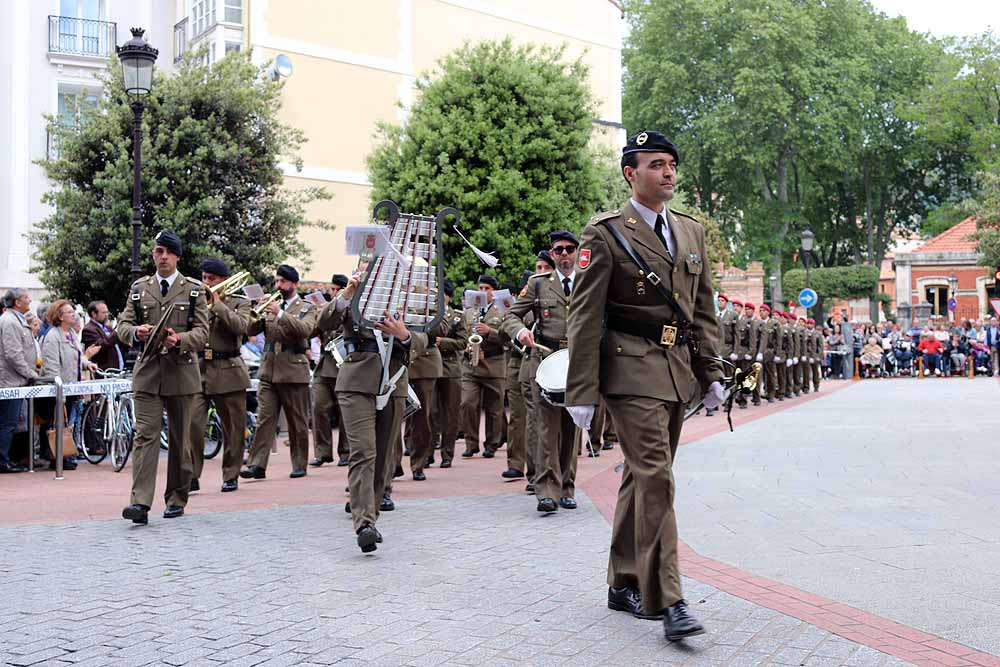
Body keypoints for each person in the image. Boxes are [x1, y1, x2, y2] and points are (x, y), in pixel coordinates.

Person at [565, 130, 724, 641]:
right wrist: (580, 391)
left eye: (672, 164)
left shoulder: (691, 232)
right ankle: (669, 597)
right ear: (631, 173)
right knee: (657, 476)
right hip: (628, 368)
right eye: (656, 164)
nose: (668, 172)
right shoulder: (607, 233)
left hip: (675, 368)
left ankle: (623, 581)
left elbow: (702, 310)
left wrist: (714, 372)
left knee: (642, 476)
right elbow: (584, 318)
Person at [325, 271, 427, 552]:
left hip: (394, 380)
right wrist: (346, 294)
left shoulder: (408, 295)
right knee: (363, 452)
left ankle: (372, 512)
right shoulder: (352, 296)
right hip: (356, 379)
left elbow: (426, 335)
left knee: (383, 456)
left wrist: (405, 336)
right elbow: (324, 322)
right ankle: (364, 524)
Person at [117, 230, 210, 524]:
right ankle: (140, 503)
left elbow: (203, 333)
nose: (163, 256)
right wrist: (135, 332)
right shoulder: (139, 288)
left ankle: (176, 497)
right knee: (146, 436)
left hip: (181, 372)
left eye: (169, 252)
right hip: (147, 372)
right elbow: (123, 325)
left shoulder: (194, 290)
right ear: (153, 255)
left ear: (177, 256)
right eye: (158, 251)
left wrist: (179, 339)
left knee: (181, 439)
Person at [504, 230, 582, 512]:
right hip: (546, 359)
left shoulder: (588, 281)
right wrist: (521, 331)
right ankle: (546, 491)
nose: (564, 254)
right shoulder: (538, 285)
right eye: (558, 250)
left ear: (577, 252)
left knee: (571, 427)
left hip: (577, 361)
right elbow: (510, 316)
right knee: (546, 427)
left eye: (569, 249)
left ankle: (567, 488)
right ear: (552, 254)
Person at [241, 264, 318, 480]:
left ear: (294, 284)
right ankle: (257, 464)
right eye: (277, 281)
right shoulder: (271, 305)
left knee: (297, 421)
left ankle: (299, 463)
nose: (278, 285)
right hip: (269, 370)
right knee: (264, 419)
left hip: (293, 369)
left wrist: (280, 313)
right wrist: (255, 309)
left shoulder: (306, 307)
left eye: (283, 282)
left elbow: (305, 330)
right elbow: (249, 330)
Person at [189, 258, 252, 493]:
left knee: (233, 428)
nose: (206, 283)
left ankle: (231, 474)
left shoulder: (239, 302)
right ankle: (192, 475)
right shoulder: (196, 302)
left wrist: (218, 306)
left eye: (211, 279)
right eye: (204, 278)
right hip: (199, 370)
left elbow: (241, 327)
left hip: (228, 369)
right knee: (192, 427)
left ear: (224, 280)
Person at [40, 299, 99, 470]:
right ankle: (57, 457)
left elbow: (78, 357)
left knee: (70, 423)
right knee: (59, 423)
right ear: (60, 316)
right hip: (60, 389)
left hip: (74, 387)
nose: (73, 315)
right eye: (69, 312)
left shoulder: (72, 334)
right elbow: (52, 366)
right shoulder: (53, 336)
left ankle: (65, 455)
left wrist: (87, 363)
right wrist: (61, 395)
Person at [457, 275, 506, 459]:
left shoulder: (502, 309)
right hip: (471, 364)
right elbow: (463, 334)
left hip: (494, 364)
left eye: (487, 288)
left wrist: (490, 332)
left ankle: (492, 444)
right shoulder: (470, 310)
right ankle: (471, 443)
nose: (483, 291)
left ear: (494, 291)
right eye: (481, 287)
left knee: (495, 409)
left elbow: (508, 336)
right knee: (467, 403)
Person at [311, 273, 350, 468]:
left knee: (345, 411)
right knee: (319, 407)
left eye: (336, 290)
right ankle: (322, 452)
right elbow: (311, 331)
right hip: (324, 365)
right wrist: (319, 314)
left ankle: (345, 451)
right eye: (331, 289)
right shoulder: (327, 309)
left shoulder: (349, 309)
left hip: (343, 364)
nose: (333, 293)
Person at [0, 289, 39, 473]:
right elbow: (13, 353)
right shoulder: (9, 321)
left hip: (16, 379)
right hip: (10, 381)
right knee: (8, 422)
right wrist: (30, 373)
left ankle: (7, 458)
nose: (29, 300)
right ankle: (3, 460)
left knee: (12, 422)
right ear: (16, 302)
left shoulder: (16, 320)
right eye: (25, 298)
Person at [432, 280, 463, 469]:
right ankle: (428, 452)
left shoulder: (457, 317)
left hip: (451, 368)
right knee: (430, 412)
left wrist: (442, 341)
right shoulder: (429, 314)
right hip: (431, 367)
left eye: (443, 294)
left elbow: (462, 342)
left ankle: (447, 454)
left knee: (450, 414)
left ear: (449, 297)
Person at [81, 301, 125, 371]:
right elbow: (101, 345)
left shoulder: (106, 327)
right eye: (103, 312)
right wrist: (116, 331)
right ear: (94, 314)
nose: (106, 315)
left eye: (107, 312)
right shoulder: (88, 329)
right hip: (104, 370)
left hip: (117, 368)